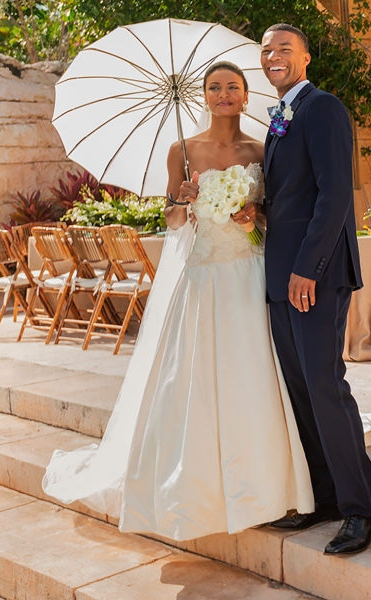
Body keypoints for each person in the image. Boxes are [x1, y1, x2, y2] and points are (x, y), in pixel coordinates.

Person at [42, 61, 314, 542]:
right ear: (204, 97)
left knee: (255, 371)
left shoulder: (261, 147)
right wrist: (183, 199)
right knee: (196, 375)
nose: (223, 94)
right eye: (215, 88)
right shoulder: (181, 151)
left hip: (251, 274)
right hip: (204, 277)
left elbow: (272, 215)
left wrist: (254, 213)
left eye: (232, 87)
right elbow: (169, 219)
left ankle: (267, 482)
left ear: (246, 96)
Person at [257, 22, 371, 556]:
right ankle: (326, 499)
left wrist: (307, 267)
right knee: (302, 391)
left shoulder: (323, 107)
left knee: (327, 388)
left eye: (284, 48)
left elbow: (334, 197)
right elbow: (292, 198)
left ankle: (362, 512)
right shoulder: (281, 117)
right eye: (265, 50)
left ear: (305, 58)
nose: (273, 56)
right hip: (281, 277)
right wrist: (254, 211)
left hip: (316, 276)